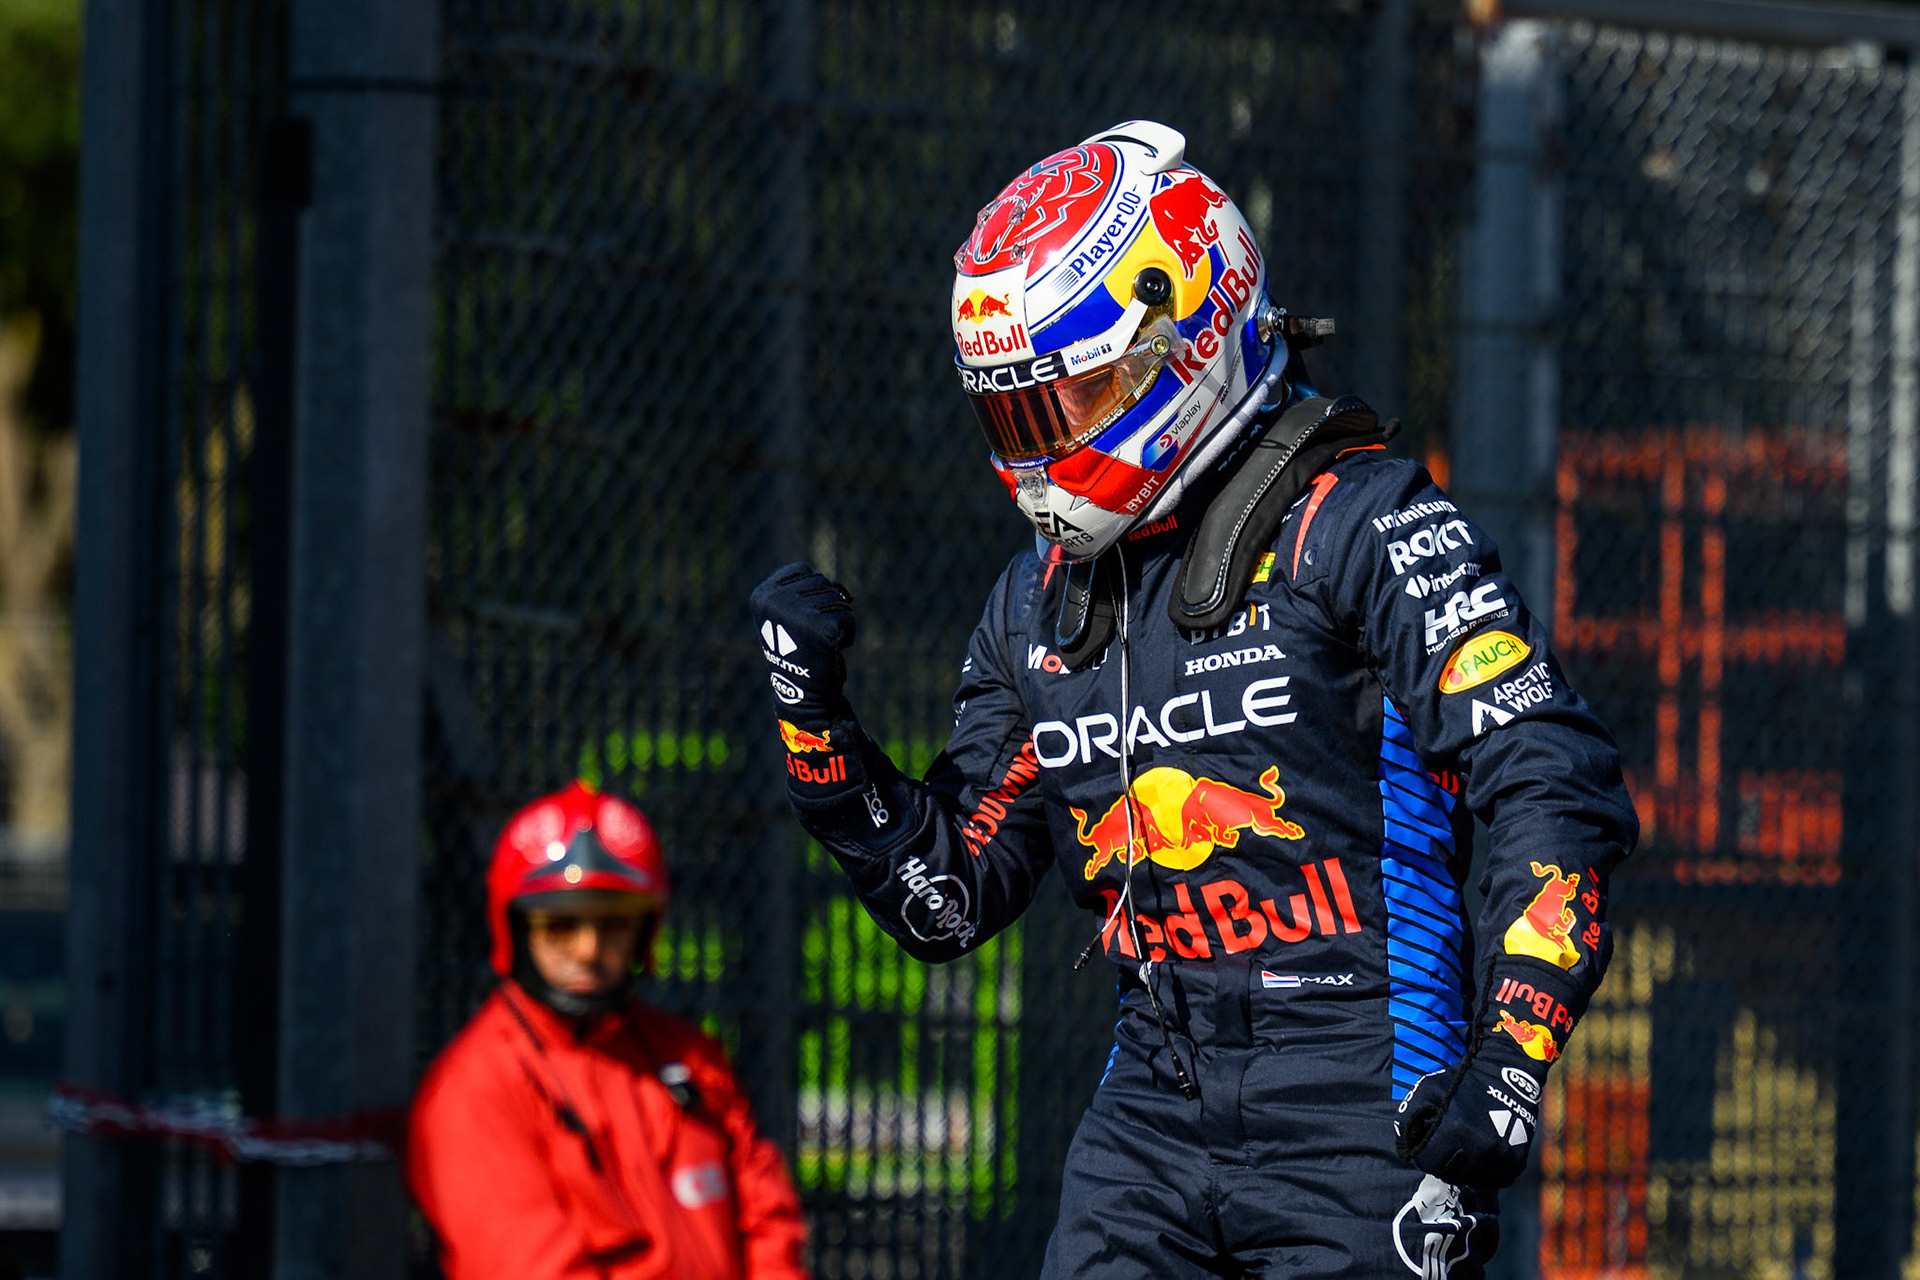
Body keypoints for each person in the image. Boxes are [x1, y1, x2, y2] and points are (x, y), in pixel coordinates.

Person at [749, 120, 1636, 1278]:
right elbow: (948, 900)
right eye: (1015, 415)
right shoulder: (1035, 605)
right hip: (1153, 1112)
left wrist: (1513, 1051)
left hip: (1369, 1106)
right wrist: (822, 740)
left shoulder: (1357, 523)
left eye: (1069, 398)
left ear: (1189, 331)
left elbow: (1550, 773)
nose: (1042, 448)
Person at [407, 780, 809, 1279]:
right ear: (514, 927)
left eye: (612, 924)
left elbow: (768, 1219)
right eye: (560, 925)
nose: (588, 950)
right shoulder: (476, 1091)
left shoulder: (689, 1056)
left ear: (646, 930)